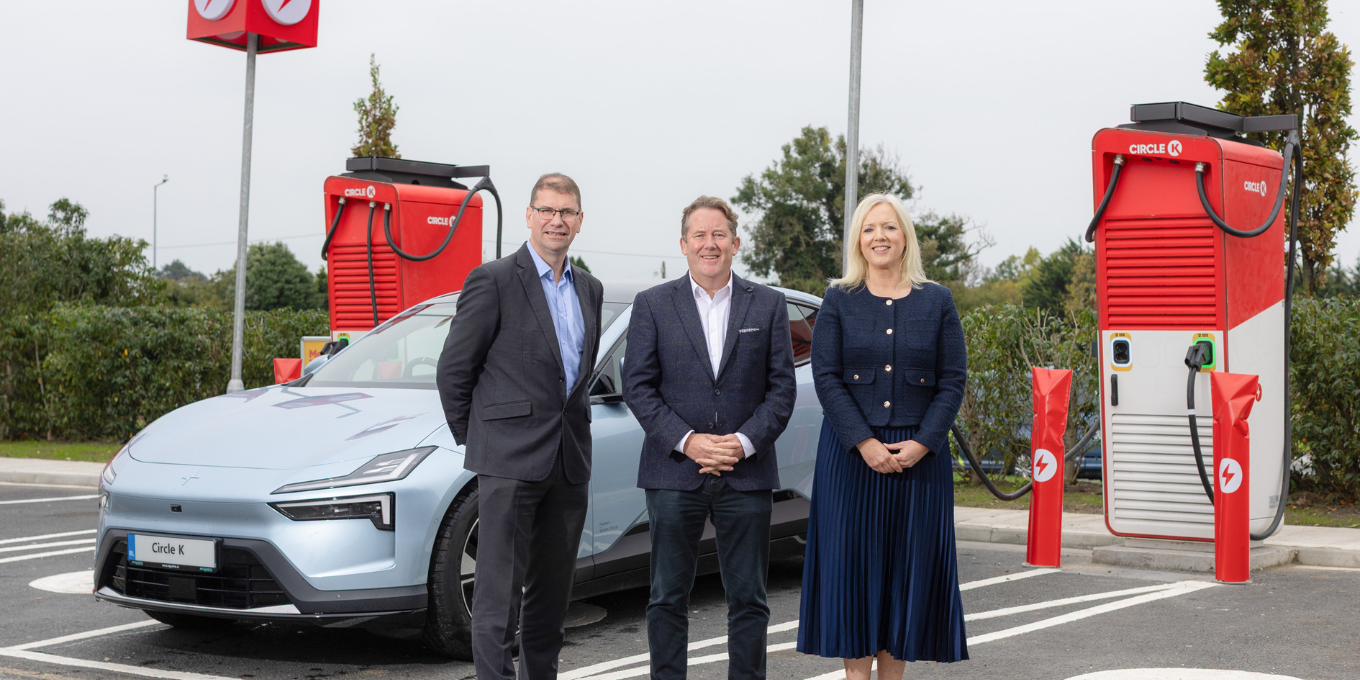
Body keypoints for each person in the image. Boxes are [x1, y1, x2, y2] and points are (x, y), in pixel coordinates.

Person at [436, 173, 604, 680]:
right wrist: (483, 442)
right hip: (508, 463)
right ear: (530, 216)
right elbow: (454, 370)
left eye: (567, 211)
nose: (557, 220)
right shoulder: (493, 280)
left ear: (580, 221)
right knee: (497, 600)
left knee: (551, 600)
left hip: (568, 463)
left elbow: (576, 377)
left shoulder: (590, 288)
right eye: (547, 210)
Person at [622, 195, 797, 680]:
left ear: (735, 243)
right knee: (666, 598)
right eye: (699, 235)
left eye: (719, 234)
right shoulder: (653, 304)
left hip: (747, 472)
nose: (709, 244)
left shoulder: (768, 303)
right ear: (683, 244)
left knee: (749, 600)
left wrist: (742, 443)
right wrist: (687, 441)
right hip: (674, 472)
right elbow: (638, 386)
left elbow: (782, 389)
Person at [796, 193, 969, 679]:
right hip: (851, 459)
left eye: (889, 227)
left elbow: (952, 380)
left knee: (906, 577)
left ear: (905, 236)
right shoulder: (838, 299)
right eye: (869, 229)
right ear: (858, 240)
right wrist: (865, 442)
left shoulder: (937, 300)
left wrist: (924, 442)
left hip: (920, 462)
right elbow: (826, 377)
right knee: (854, 575)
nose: (880, 237)